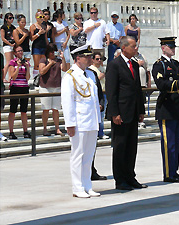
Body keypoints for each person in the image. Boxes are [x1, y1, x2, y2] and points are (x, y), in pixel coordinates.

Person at [105, 36, 147, 190]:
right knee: (120, 146)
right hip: (121, 113)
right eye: (133, 46)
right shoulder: (114, 65)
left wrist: (140, 110)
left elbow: (137, 90)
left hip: (133, 112)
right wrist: (115, 113)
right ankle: (120, 179)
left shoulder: (134, 65)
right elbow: (111, 91)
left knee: (131, 147)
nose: (136, 49)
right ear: (124, 47)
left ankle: (130, 176)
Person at [62, 45, 101, 198]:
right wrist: (70, 124)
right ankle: (77, 187)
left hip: (91, 120)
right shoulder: (70, 76)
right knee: (78, 155)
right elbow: (67, 102)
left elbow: (94, 99)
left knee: (89, 155)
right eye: (87, 56)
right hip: (79, 122)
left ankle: (87, 185)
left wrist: (98, 119)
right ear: (78, 58)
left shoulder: (90, 75)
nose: (90, 59)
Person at [152, 36, 179, 183]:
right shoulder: (159, 65)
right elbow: (161, 84)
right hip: (166, 107)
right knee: (168, 143)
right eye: (170, 46)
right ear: (163, 48)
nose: (173, 49)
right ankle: (168, 174)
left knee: (176, 143)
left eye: (174, 46)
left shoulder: (175, 64)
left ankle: (174, 171)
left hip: (177, 107)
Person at [38, 43, 69, 136]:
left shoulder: (58, 61)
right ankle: (44, 128)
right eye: (51, 51)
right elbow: (42, 71)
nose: (53, 53)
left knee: (56, 109)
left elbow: (64, 69)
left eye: (54, 51)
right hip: (45, 87)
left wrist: (63, 58)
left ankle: (57, 128)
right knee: (46, 109)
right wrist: (50, 64)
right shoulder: (43, 60)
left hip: (57, 87)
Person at [7, 46, 31, 139]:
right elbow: (13, 76)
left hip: (24, 87)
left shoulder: (26, 62)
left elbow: (28, 77)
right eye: (18, 51)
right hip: (15, 87)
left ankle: (25, 131)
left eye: (21, 50)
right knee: (13, 110)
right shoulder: (12, 62)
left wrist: (27, 67)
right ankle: (11, 132)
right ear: (15, 53)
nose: (20, 52)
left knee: (24, 111)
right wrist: (18, 67)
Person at [88, 52, 108, 139]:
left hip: (104, 93)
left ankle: (101, 132)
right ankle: (96, 133)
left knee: (102, 115)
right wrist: (100, 76)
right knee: (95, 115)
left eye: (100, 59)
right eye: (97, 59)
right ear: (92, 60)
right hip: (96, 94)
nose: (99, 60)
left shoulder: (102, 68)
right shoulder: (91, 69)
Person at [132, 48, 151, 129]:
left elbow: (148, 70)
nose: (135, 48)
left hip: (143, 85)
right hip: (134, 86)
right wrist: (137, 65)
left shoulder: (142, 56)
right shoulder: (130, 57)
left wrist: (149, 83)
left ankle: (141, 121)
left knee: (142, 103)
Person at [30, 10, 50, 81]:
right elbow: (31, 38)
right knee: (36, 64)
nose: (42, 18)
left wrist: (48, 46)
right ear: (36, 17)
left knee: (43, 63)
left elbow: (45, 37)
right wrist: (39, 33)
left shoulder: (44, 26)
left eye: (43, 16)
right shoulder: (33, 26)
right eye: (40, 17)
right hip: (36, 47)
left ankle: (41, 79)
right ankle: (35, 79)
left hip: (43, 46)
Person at [1, 12, 16, 81]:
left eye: (12, 18)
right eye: (10, 18)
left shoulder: (13, 27)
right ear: (6, 19)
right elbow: (3, 38)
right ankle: (3, 77)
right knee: (8, 62)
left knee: (12, 62)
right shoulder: (3, 27)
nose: (12, 19)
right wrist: (10, 44)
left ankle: (10, 77)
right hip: (7, 46)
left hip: (13, 46)